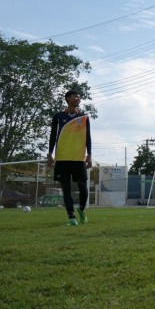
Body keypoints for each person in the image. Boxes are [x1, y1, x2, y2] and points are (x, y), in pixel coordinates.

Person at [47, 90, 92, 226]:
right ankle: (71, 218)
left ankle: (81, 209)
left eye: (78, 96)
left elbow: (87, 137)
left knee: (83, 188)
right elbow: (53, 136)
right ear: (67, 99)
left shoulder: (84, 117)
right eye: (74, 96)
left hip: (79, 158)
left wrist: (89, 155)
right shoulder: (58, 116)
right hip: (62, 158)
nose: (78, 98)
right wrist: (50, 153)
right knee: (66, 188)